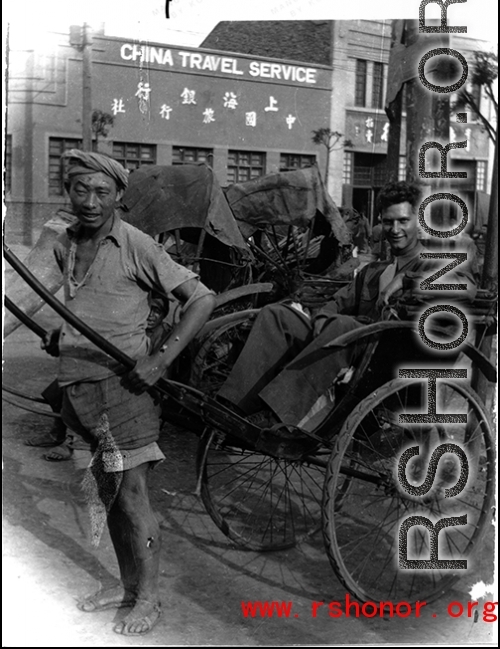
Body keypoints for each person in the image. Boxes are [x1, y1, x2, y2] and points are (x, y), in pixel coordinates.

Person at [41, 150, 215, 636]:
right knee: (109, 497)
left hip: (124, 392)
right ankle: (126, 585)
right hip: (78, 389)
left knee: (133, 499)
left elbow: (202, 298)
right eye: (81, 190)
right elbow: (76, 300)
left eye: (102, 192)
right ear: (69, 192)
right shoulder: (67, 242)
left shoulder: (136, 244)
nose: (90, 202)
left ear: (120, 195)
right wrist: (60, 331)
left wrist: (159, 360)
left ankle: (149, 598)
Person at [219, 180, 477, 430]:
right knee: (277, 315)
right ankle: (232, 406)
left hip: (390, 360)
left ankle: (276, 413)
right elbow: (338, 302)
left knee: (343, 326)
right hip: (350, 345)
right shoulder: (374, 271)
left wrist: (407, 279)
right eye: (388, 222)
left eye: (403, 221)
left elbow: (467, 288)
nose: (395, 229)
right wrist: (322, 318)